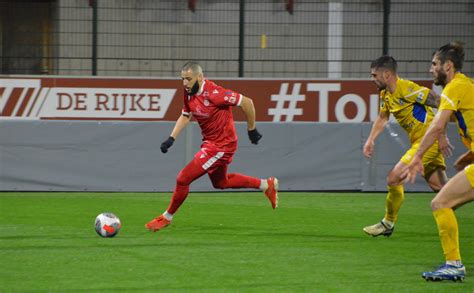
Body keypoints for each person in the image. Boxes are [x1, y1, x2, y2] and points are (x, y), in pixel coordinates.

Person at [145, 62, 278, 232]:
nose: (185, 83)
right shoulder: (188, 92)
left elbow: (248, 102)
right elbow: (186, 115)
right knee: (221, 182)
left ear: (200, 77)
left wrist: (251, 129)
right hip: (211, 143)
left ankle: (166, 217)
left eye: (188, 79)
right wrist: (171, 138)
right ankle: (266, 185)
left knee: (183, 179)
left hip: (222, 146)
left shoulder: (215, 94)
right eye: (182, 79)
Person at [362, 55, 451, 237]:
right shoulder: (386, 94)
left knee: (394, 178)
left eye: (374, 75)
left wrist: (441, 134)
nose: (372, 79)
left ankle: (388, 223)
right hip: (421, 143)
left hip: (427, 141)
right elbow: (383, 117)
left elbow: (441, 103)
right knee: (444, 190)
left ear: (386, 74)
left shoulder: (407, 89)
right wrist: (370, 139)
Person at [406, 42, 472, 282]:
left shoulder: (455, 87)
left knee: (441, 203)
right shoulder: (464, 85)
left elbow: (437, 125)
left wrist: (417, 157)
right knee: (447, 203)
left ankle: (453, 264)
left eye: (435, 64)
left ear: (448, 66)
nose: (431, 69)